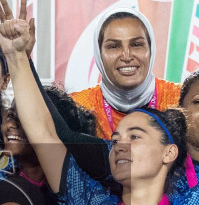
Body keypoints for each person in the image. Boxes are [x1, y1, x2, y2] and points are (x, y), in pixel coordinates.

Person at [10, 7, 199, 205]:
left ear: (169, 153)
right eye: (116, 138)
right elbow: (43, 134)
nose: (120, 144)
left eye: (135, 136)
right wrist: (16, 56)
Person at [71, 11, 182, 140]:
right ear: (99, 54)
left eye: (136, 45)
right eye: (113, 46)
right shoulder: (78, 107)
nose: (127, 56)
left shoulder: (180, 100)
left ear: (151, 50)